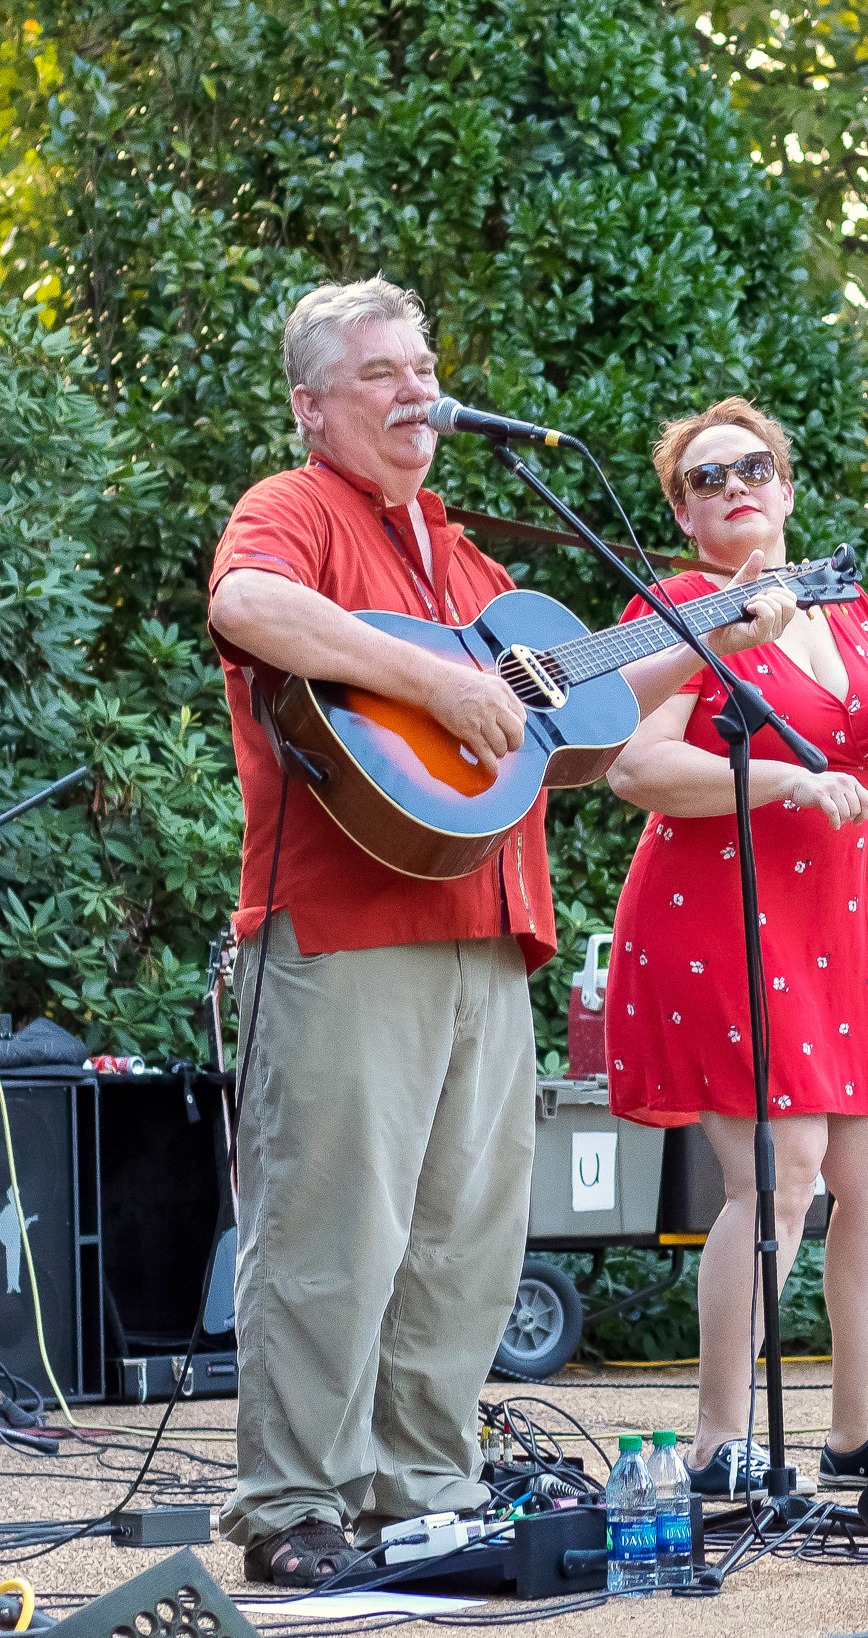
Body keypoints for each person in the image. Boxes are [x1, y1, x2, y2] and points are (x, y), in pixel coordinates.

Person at [206, 280, 796, 1585]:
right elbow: (250, 609)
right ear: (313, 406)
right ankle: (294, 1506)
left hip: (488, 924)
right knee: (331, 1232)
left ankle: (420, 1494)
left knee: (466, 1243)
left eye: (422, 367)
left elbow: (576, 720)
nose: (415, 390)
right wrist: (433, 680)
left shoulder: (467, 559)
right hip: (349, 926)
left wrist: (714, 628)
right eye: (379, 373)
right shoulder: (293, 506)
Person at [603, 397, 868, 1497]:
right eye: (705, 480)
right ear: (684, 516)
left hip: (837, 923)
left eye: (753, 467)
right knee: (778, 1178)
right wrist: (784, 781)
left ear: (786, 487)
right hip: (720, 919)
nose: (734, 487)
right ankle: (718, 1444)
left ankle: (855, 1438)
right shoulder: (679, 609)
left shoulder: (846, 605)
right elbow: (634, 767)